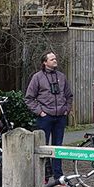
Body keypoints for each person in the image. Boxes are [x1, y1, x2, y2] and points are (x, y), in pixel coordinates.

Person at [25, 51, 73, 180]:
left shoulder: (62, 77)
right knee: (43, 147)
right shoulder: (37, 77)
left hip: (60, 117)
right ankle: (44, 175)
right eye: (52, 59)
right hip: (45, 117)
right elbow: (29, 98)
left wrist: (66, 109)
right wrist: (40, 112)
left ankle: (58, 175)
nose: (55, 60)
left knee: (58, 147)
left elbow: (69, 95)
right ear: (45, 62)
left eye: (55, 58)